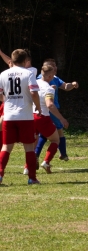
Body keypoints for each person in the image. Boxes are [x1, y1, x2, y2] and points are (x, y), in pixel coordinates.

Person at [0, 49, 42, 184]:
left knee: (6, 147)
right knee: (29, 147)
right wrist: (38, 107)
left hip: (9, 115)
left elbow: (1, 95)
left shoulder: (3, 74)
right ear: (25, 61)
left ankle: (0, 175)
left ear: (12, 60)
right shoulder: (28, 73)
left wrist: (7, 101)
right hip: (25, 115)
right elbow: (34, 93)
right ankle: (32, 178)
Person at [23, 65, 69, 175]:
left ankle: (27, 168)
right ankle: (46, 162)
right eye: (53, 74)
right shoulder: (48, 88)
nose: (54, 76)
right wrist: (62, 119)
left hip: (30, 116)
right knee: (55, 140)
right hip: (42, 117)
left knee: (32, 144)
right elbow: (50, 105)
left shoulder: (34, 82)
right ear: (49, 76)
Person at [34, 59, 79, 162]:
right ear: (47, 69)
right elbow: (41, 92)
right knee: (56, 132)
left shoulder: (55, 78)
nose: (56, 68)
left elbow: (65, 86)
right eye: (53, 66)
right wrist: (50, 88)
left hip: (53, 107)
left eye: (55, 66)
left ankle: (60, 154)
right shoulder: (40, 79)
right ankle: (56, 156)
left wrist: (72, 84)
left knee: (49, 133)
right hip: (48, 109)